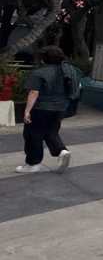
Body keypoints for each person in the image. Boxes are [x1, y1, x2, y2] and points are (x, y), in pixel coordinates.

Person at [16, 46, 78, 174]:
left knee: (33, 134)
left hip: (40, 108)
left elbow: (34, 92)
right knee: (51, 132)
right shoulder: (67, 71)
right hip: (60, 108)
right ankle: (62, 151)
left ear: (43, 59)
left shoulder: (39, 73)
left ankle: (32, 164)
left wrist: (27, 111)